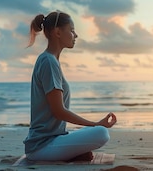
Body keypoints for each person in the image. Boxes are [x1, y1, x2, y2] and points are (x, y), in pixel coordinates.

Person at [23, 10, 117, 161]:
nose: (76, 35)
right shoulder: (48, 62)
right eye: (72, 30)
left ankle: (72, 154)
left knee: (96, 131)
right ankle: (70, 153)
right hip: (41, 147)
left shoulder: (50, 60)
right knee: (101, 133)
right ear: (57, 32)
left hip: (52, 140)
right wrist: (95, 124)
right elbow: (59, 112)